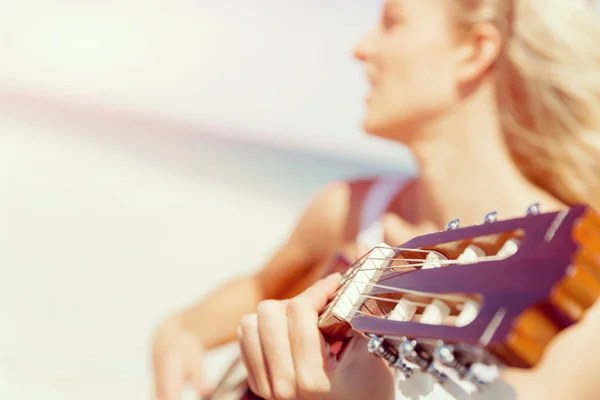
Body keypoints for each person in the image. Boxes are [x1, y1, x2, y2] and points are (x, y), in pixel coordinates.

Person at [152, 0, 600, 399]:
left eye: (392, 22)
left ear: (474, 51)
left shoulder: (583, 301)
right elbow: (261, 289)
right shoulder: (349, 210)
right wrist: (182, 329)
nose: (361, 49)